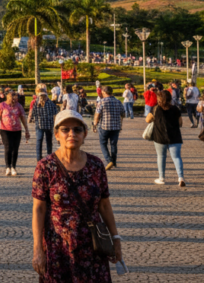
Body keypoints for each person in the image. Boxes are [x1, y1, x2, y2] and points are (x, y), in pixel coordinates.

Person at [32, 110, 122, 282]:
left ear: (85, 134)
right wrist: (38, 249)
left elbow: (104, 205)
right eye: (65, 129)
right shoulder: (45, 167)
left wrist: (115, 238)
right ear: (57, 134)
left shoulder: (96, 165)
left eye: (77, 129)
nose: (71, 134)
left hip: (93, 246)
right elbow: (39, 208)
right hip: (57, 248)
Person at [146, 89, 185, 187]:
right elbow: (180, 123)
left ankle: (161, 178)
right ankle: (181, 178)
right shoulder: (175, 109)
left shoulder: (155, 109)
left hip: (160, 137)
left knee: (161, 157)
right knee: (176, 157)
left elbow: (147, 120)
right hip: (175, 136)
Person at [0, 90, 29, 176]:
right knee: (8, 147)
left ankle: (13, 167)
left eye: (16, 98)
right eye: (13, 98)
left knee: (15, 149)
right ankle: (7, 167)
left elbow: (23, 118)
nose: (14, 100)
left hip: (17, 130)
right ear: (8, 98)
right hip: (5, 129)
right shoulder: (1, 105)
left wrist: (27, 130)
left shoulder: (19, 106)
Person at [92, 86, 125, 171]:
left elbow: (97, 115)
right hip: (116, 127)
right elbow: (123, 114)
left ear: (103, 92)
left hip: (104, 126)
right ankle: (114, 161)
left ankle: (109, 160)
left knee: (103, 143)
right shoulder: (118, 102)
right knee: (113, 144)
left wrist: (94, 124)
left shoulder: (102, 102)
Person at [28, 85, 59, 161]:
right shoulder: (50, 103)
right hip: (49, 124)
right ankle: (49, 156)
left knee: (39, 140)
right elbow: (55, 113)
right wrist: (56, 124)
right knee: (49, 141)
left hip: (39, 125)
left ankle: (39, 157)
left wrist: (31, 119)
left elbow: (33, 113)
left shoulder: (36, 103)